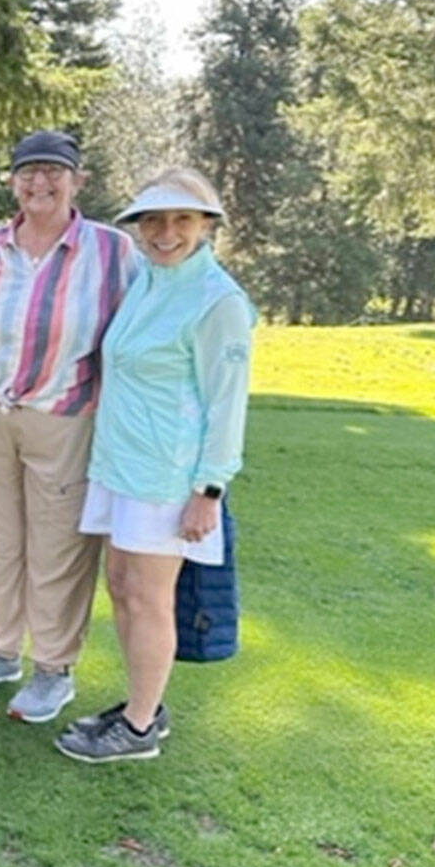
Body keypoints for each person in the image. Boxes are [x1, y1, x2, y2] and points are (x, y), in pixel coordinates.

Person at [56, 169, 255, 764]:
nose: (166, 232)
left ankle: (139, 729)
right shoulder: (147, 279)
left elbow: (227, 403)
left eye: (181, 220)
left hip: (169, 476)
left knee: (148, 597)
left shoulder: (219, 301)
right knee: (122, 587)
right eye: (153, 221)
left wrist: (209, 488)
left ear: (205, 227)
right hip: (121, 464)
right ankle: (146, 701)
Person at [0, 129, 140, 722]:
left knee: (58, 548)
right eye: (29, 172)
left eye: (55, 171)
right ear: (13, 181)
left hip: (64, 417)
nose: (40, 182)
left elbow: (132, 338)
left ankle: (53, 669)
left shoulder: (111, 251)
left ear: (77, 180)